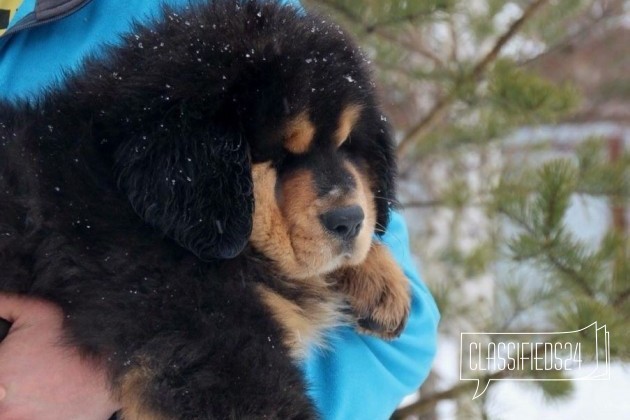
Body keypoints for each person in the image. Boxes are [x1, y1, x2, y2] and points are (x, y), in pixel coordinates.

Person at [0, 0, 440, 419]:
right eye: (283, 158)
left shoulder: (244, 36)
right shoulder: (156, 245)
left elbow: (400, 340)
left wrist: (95, 384)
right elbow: (204, 349)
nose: (343, 199)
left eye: (345, 146)